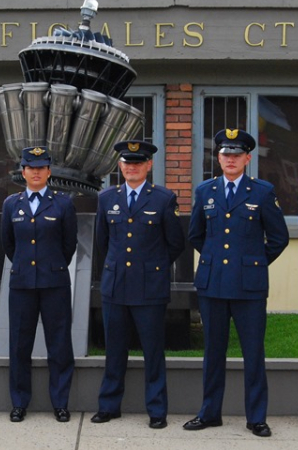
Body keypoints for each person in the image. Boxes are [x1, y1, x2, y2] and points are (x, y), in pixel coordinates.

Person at [184, 129, 289, 437]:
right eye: (225, 155)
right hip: (213, 284)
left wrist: (253, 262)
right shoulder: (205, 191)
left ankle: (256, 417)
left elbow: (279, 238)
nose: (230, 159)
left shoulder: (262, 191)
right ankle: (209, 413)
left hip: (249, 287)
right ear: (218, 158)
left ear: (247, 158)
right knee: (213, 352)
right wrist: (217, 260)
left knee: (253, 353)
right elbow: (196, 234)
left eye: (236, 155)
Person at [90, 140, 185, 429]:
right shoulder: (106, 198)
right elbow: (102, 242)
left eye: (138, 162)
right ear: (120, 166)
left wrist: (152, 268)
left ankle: (157, 410)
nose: (132, 167)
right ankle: (108, 406)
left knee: (153, 352)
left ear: (149, 165)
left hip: (149, 288)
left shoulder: (163, 198)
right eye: (127, 163)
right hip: (116, 286)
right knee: (114, 350)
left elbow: (175, 244)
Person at [0, 146, 77, 423]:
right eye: (30, 168)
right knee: (20, 345)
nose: (35, 172)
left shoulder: (63, 204)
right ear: (23, 172)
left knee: (59, 345)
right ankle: (19, 402)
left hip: (54, 282)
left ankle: (60, 402)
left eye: (41, 167)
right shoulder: (11, 203)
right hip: (22, 284)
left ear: (48, 172)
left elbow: (69, 245)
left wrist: (50, 264)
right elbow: (8, 244)